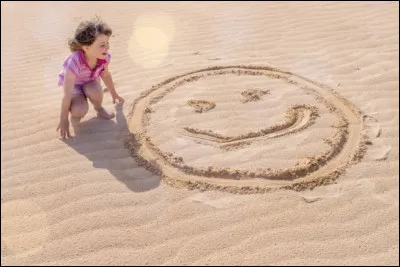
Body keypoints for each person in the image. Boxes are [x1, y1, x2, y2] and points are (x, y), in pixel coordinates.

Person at [56, 17, 124, 139]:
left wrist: (114, 94)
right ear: (86, 48)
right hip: (74, 87)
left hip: (90, 82)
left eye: (107, 43)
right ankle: (75, 113)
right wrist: (63, 119)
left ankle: (98, 108)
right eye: (102, 45)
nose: (107, 48)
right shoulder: (75, 61)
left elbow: (105, 75)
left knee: (95, 90)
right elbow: (66, 94)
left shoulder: (104, 58)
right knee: (79, 109)